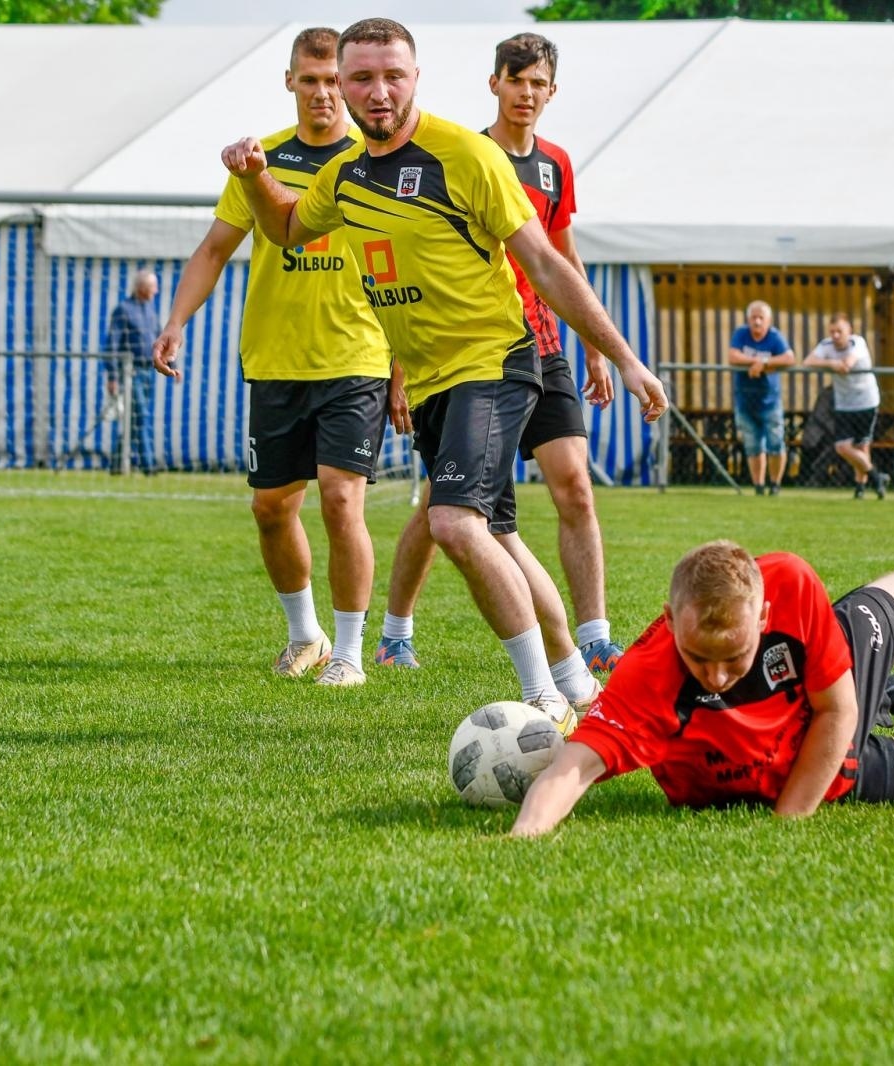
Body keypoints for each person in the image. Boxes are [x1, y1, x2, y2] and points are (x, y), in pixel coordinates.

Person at [222, 17, 668, 732]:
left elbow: (548, 264)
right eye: (359, 77)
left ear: (416, 77)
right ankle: (577, 678)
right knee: (497, 535)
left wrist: (622, 355)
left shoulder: (465, 155)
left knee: (453, 522)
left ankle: (542, 702)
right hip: (430, 383)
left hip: (494, 362)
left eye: (391, 75)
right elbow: (283, 228)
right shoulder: (344, 175)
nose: (377, 91)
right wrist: (253, 175)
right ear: (340, 84)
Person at [374, 32, 625, 676]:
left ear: (552, 92)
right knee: (448, 506)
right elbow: (409, 267)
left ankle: (593, 637)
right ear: (495, 84)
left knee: (574, 487)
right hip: (473, 353)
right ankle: (396, 630)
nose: (527, 94)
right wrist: (400, 370)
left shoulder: (555, 164)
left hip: (543, 349)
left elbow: (561, 256)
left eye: (539, 83)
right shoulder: (464, 153)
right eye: (517, 81)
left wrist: (598, 345)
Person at [153, 27, 391, 687]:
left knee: (343, 501)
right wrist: (175, 321)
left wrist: (406, 363)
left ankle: (348, 652)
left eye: (331, 80)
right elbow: (212, 250)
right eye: (308, 80)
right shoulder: (258, 161)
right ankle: (304, 635)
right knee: (270, 508)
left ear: (347, 84)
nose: (321, 93)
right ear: (290, 82)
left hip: (356, 355)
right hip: (274, 361)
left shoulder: (375, 163)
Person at [511, 540, 894, 836]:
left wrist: (789, 821)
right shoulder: (645, 677)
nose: (717, 675)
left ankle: (887, 693)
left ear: (765, 617)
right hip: (814, 766)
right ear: (669, 622)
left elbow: (837, 714)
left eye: (734, 657)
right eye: (698, 657)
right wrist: (524, 838)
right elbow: (571, 768)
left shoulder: (790, 584)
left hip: (827, 743)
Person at [803, 312, 887, 499]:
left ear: (849, 330)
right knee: (842, 447)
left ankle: (860, 488)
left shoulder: (858, 343)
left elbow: (846, 365)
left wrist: (830, 364)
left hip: (865, 401)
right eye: (832, 331)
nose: (835, 336)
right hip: (844, 403)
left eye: (839, 331)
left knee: (862, 446)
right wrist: (831, 362)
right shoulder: (826, 345)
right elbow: (808, 361)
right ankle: (875, 476)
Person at [727, 300, 794, 496]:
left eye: (761, 318)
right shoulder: (741, 334)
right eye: (753, 318)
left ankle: (775, 485)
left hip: (770, 401)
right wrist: (758, 362)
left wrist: (763, 363)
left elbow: (790, 358)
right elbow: (733, 357)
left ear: (768, 321)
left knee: (776, 443)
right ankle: (758, 485)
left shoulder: (775, 337)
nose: (757, 322)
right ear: (748, 319)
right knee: (753, 445)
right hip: (745, 400)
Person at [103, 269, 160, 475]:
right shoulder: (123, 310)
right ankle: (149, 466)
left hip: (149, 372)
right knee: (141, 416)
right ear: (141, 288)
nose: (157, 290)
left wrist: (173, 363)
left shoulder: (151, 309)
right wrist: (112, 376)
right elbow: (112, 345)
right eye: (153, 286)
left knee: (134, 420)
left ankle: (116, 465)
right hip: (131, 372)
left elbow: (159, 337)